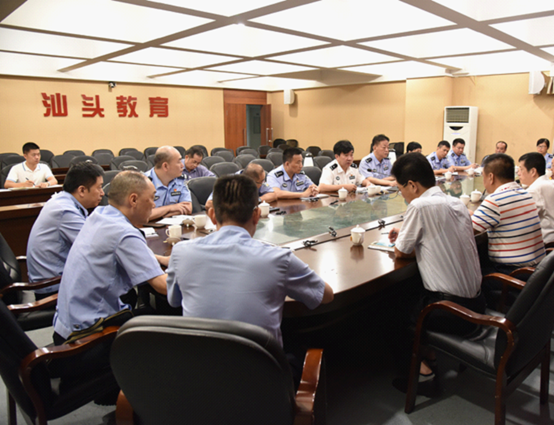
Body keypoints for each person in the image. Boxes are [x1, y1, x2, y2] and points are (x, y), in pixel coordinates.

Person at [166, 174, 334, 347]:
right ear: (257, 215)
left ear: (212, 215)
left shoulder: (180, 253)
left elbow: (174, 300)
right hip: (260, 363)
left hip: (197, 362)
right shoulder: (278, 259)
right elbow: (326, 296)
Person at [388, 153, 484, 380]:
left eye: (400, 189)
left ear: (412, 185)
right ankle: (429, 353)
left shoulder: (419, 205)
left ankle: (420, 374)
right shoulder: (456, 203)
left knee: (390, 311)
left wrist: (406, 237)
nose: (402, 195)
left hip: (451, 312)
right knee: (414, 292)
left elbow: (401, 252)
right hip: (478, 303)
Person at [53, 171, 168, 344]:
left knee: (147, 311)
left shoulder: (100, 215)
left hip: (67, 326)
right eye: (152, 198)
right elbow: (163, 286)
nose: (154, 204)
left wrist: (160, 259)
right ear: (133, 200)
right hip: (86, 337)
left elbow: (119, 249)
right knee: (169, 328)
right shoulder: (124, 233)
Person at [27, 162, 105, 300]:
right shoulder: (65, 211)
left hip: (57, 280)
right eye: (99, 187)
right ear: (82, 190)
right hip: (54, 289)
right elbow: (96, 248)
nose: (102, 193)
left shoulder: (62, 200)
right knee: (122, 290)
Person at [472, 153, 545, 276]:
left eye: (483, 176)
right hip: (538, 271)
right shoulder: (525, 193)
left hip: (513, 273)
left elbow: (467, 229)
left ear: (491, 177)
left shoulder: (495, 200)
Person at [144, 146, 192, 220]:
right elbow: (142, 215)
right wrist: (170, 208)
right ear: (165, 166)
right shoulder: (143, 182)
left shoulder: (180, 179)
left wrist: (160, 213)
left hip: (173, 224)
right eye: (179, 162)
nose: (182, 165)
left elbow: (188, 207)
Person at [518, 152, 554, 246]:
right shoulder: (550, 183)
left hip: (547, 245)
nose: (518, 173)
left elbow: (522, 219)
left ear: (533, 171)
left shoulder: (535, 190)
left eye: (521, 169)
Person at [205, 162, 277, 209]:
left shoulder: (259, 181)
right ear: (251, 182)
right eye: (261, 181)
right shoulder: (227, 182)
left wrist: (257, 200)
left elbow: (273, 195)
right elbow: (209, 204)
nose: (263, 183)